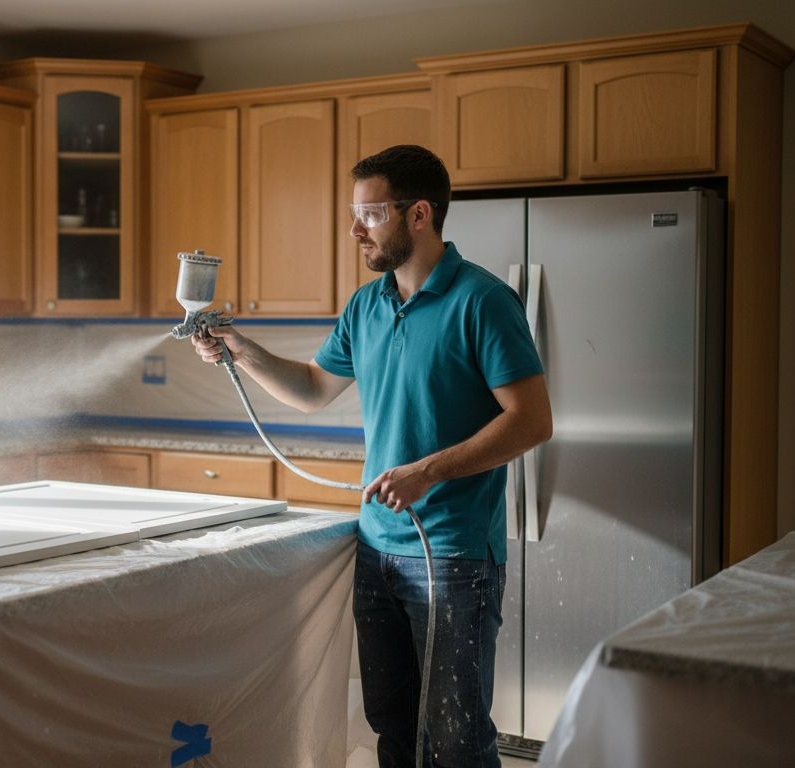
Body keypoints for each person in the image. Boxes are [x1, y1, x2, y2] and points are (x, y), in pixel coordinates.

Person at [191, 144, 552, 768]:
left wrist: (427, 471)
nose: (356, 230)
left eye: (372, 214)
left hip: (453, 555)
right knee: (391, 726)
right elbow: (313, 388)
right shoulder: (366, 305)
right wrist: (241, 351)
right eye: (354, 214)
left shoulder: (483, 301)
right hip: (377, 549)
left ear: (419, 214)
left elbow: (532, 422)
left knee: (455, 739)